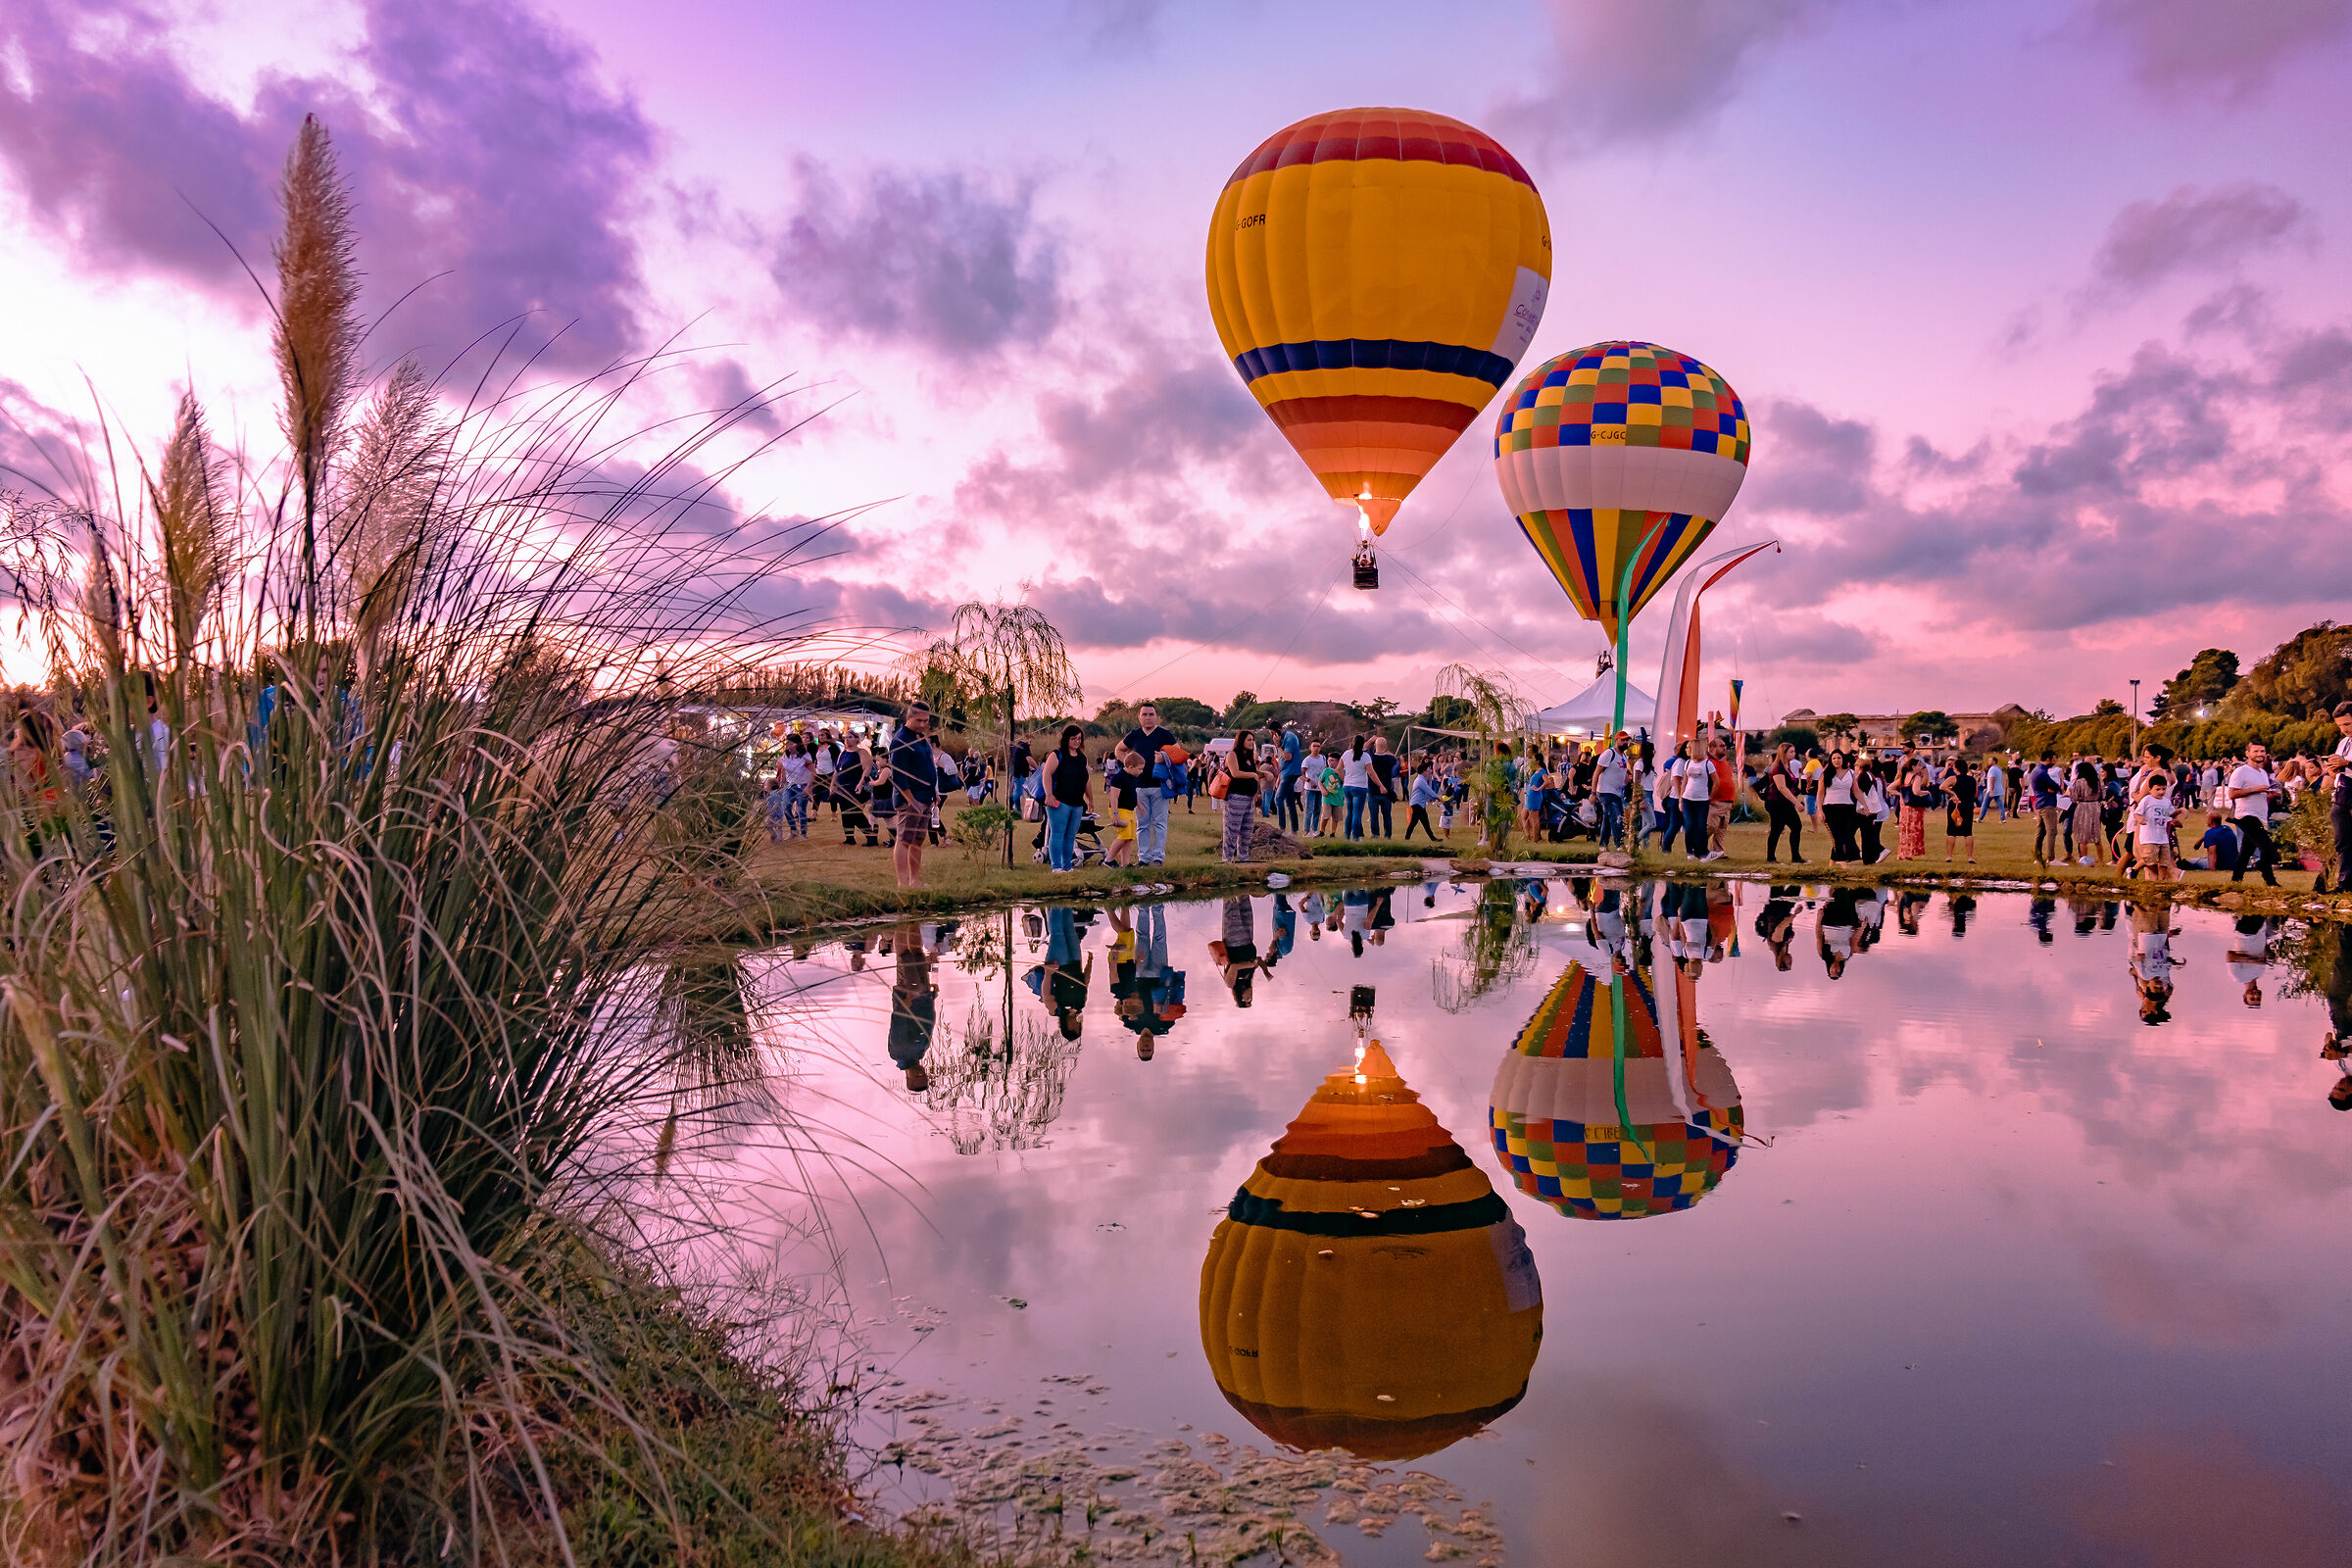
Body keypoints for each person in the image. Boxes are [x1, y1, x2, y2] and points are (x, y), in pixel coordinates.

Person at [1122, 703, 1178, 867]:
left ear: (1156, 717)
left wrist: (1165, 757)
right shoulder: (1134, 735)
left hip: (1160, 786)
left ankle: (1158, 857)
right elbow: (1119, 749)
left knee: (1160, 823)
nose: (1147, 717)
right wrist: (1128, 766)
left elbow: (1179, 754)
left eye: (1151, 714)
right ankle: (1144, 858)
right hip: (1138, 786)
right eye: (1144, 714)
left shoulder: (1165, 735)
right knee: (1142, 824)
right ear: (1139, 717)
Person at [2225, 742, 2281, 887]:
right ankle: (2268, 876)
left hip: (2260, 816)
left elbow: (2260, 795)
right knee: (2267, 848)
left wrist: (2271, 795)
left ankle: (2236, 880)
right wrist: (2255, 789)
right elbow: (2232, 794)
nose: (2259, 754)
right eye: (2255, 751)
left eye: (2262, 751)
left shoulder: (2262, 773)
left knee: (2245, 852)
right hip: (2246, 816)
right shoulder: (2241, 771)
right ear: (2247, 753)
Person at [1040, 723, 1092, 873]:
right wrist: (1049, 794)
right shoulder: (1057, 755)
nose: (1077, 741)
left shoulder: (1082, 758)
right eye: (1073, 738)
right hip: (1059, 801)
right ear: (1066, 739)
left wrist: (1091, 800)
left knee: (1070, 836)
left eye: (1079, 739)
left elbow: (1086, 779)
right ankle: (1056, 866)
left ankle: (1067, 866)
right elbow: (1046, 774)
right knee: (1057, 833)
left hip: (1077, 802)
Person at [2320, 701, 2352, 893]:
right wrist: (2334, 768)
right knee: (2343, 841)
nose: (2344, 729)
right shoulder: (2343, 743)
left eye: (2347, 724)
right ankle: (2345, 884)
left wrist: (2346, 763)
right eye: (2340, 726)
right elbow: (2339, 773)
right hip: (2343, 792)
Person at [1217, 728, 1262, 862]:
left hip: (1249, 798)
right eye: (1249, 739)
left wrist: (1264, 774)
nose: (1252, 742)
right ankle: (1227, 858)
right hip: (1235, 797)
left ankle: (1243, 857)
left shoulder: (1250, 757)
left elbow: (1253, 772)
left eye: (1253, 740)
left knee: (1246, 830)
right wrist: (1253, 775)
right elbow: (1235, 773)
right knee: (1232, 829)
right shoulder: (1232, 755)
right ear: (1241, 740)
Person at [2129, 775, 2180, 882]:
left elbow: (2171, 812)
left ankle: (2160, 881)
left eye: (2163, 789)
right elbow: (2137, 813)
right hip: (2149, 836)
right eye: (2158, 789)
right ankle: (2133, 870)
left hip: (2162, 837)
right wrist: (2140, 819)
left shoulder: (2166, 801)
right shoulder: (2147, 800)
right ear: (2150, 789)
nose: (2161, 792)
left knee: (2164, 861)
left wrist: (2181, 811)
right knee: (2149, 859)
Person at [1762, 741, 1805, 862]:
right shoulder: (1778, 767)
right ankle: (1771, 858)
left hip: (1784, 803)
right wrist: (1796, 803)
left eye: (1794, 751)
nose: (1794, 754)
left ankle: (1795, 857)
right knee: (1778, 829)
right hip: (1776, 802)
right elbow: (1781, 787)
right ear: (1783, 753)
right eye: (1791, 751)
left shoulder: (1788, 766)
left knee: (1795, 826)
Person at [1104, 744, 1144, 866]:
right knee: (1123, 836)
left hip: (1129, 810)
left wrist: (1139, 805)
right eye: (1140, 769)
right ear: (1131, 767)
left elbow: (1132, 793)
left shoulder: (1133, 777)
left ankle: (1125, 864)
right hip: (1120, 810)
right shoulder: (1119, 778)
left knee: (1129, 838)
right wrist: (1115, 814)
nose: (1141, 772)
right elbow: (1114, 797)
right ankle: (1109, 860)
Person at [1678, 736, 1714, 860]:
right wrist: (1680, 799)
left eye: (1688, 748)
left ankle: (1702, 852)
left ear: (1695, 749)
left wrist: (1711, 796)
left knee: (1700, 825)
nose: (1686, 750)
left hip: (1702, 800)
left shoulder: (1708, 764)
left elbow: (1717, 782)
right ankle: (1690, 852)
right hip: (1688, 798)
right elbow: (1684, 781)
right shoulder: (1687, 763)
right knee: (1689, 824)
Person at [1821, 751, 1861, 862]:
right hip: (1830, 808)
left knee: (1845, 836)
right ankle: (1842, 864)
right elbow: (1820, 793)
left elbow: (1856, 791)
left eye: (1839, 758)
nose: (1836, 761)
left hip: (1847, 808)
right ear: (1830, 760)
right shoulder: (1826, 774)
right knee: (1836, 837)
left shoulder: (1851, 773)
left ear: (1843, 759)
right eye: (1834, 758)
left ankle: (1832, 864)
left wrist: (1866, 805)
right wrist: (1820, 810)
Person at [2067, 760, 2107, 867]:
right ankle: (2101, 861)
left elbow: (2074, 798)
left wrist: (2071, 791)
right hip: (2095, 807)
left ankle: (2085, 861)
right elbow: (2103, 794)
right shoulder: (2098, 781)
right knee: (2096, 836)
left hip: (2083, 807)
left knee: (2082, 837)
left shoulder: (2080, 782)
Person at [2029, 751, 2065, 865]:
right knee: (2052, 831)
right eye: (2053, 759)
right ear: (2048, 759)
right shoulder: (2042, 772)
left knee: (2041, 831)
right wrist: (2055, 788)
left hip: (2039, 803)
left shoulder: (2036, 770)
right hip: (2047, 804)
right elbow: (2054, 785)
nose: (2054, 762)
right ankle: (2051, 858)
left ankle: (2037, 857)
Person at [1896, 755, 1936, 860]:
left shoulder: (1904, 776)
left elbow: (1890, 788)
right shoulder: (1916, 776)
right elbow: (1916, 791)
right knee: (1913, 828)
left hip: (1904, 805)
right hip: (1914, 806)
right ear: (1914, 767)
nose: (1921, 767)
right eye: (1919, 765)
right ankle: (1910, 852)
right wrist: (1926, 792)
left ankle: (1902, 852)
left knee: (1904, 829)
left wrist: (1900, 795)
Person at [1942, 756, 1977, 863]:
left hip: (1956, 807)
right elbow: (1975, 795)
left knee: (1952, 831)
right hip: (1968, 806)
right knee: (1968, 832)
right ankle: (1970, 857)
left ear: (1955, 768)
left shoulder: (1953, 778)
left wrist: (1953, 793)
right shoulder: (1972, 779)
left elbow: (1942, 786)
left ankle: (1949, 856)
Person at [1341, 734, 1373, 840]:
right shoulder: (1365, 756)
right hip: (1359, 787)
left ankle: (1346, 836)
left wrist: (1344, 779)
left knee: (1349, 813)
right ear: (1362, 744)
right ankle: (1355, 837)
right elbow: (1371, 773)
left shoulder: (1346, 754)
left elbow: (1338, 769)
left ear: (1352, 742)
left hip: (1347, 786)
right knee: (1357, 814)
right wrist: (1381, 785)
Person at [1276, 721, 1305, 831]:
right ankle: (1294, 829)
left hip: (1290, 773)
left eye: (1272, 733)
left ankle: (1282, 828)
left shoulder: (1289, 737)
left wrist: (1278, 746)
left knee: (1278, 799)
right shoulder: (1284, 738)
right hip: (1285, 773)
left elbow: (1287, 757)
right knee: (1290, 802)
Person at [1368, 735, 1399, 838]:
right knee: (1387, 815)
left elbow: (1363, 749)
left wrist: (1371, 741)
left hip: (1373, 790)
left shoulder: (1371, 758)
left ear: (1375, 746)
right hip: (1386, 790)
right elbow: (1394, 757)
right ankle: (1388, 834)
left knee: (1374, 815)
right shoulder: (1390, 759)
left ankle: (1375, 834)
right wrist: (1385, 749)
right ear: (1385, 746)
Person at [1404, 756, 1442, 842]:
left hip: (1419, 804)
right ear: (1424, 771)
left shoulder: (1422, 779)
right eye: (1428, 770)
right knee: (1420, 822)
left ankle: (1408, 838)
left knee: (1419, 822)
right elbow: (1429, 791)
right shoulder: (1420, 780)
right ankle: (1432, 838)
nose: (1429, 771)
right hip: (1417, 804)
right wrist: (1438, 798)